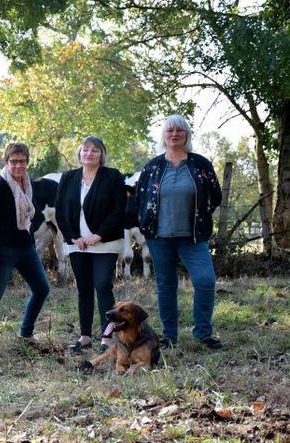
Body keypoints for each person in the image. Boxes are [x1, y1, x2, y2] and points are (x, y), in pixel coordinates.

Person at [136, 114, 224, 350]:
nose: (174, 134)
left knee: (205, 280)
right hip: (159, 237)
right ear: (164, 136)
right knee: (166, 285)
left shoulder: (200, 165)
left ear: (186, 135)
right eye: (170, 131)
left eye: (179, 131)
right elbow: (139, 199)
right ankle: (169, 336)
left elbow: (215, 196)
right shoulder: (153, 166)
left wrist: (200, 216)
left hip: (193, 237)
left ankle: (203, 334)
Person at [0, 143, 50, 354]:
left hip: (26, 247)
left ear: (27, 162)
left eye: (22, 161)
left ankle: (26, 332)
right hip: (4, 250)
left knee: (42, 288)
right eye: (14, 161)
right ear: (5, 162)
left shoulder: (27, 184)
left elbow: (28, 217)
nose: (18, 165)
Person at [55, 136, 126, 354]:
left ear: (102, 155)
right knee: (84, 289)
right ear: (79, 154)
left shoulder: (112, 176)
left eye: (95, 150)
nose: (89, 153)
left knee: (103, 285)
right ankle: (85, 336)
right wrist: (73, 237)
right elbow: (60, 212)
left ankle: (107, 337)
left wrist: (98, 235)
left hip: (105, 243)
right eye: (85, 149)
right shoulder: (68, 178)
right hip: (78, 244)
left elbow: (118, 210)